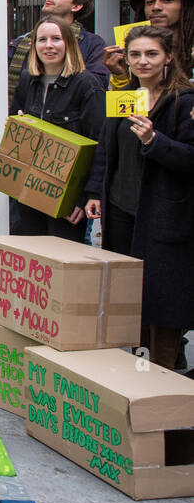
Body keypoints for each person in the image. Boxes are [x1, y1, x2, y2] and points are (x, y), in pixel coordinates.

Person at [84, 25, 194, 371]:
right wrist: (95, 191)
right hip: (121, 209)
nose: (142, 61)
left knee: (163, 301)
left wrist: (155, 140)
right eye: (135, 55)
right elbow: (107, 146)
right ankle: (137, 375)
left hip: (164, 216)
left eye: (151, 54)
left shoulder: (184, 100)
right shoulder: (126, 95)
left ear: (169, 57)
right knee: (130, 299)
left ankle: (164, 381)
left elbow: (190, 158)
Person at [8, 14, 104, 242]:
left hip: (68, 197)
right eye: (42, 40)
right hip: (29, 191)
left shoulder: (87, 85)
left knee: (64, 262)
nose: (48, 46)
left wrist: (85, 197)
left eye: (56, 39)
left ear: (68, 44)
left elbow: (100, 144)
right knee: (33, 255)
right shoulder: (26, 81)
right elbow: (16, 125)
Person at [7, 0, 108, 106]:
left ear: (76, 6)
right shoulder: (21, 43)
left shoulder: (92, 44)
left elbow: (95, 90)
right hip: (28, 120)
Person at [102, 0, 194, 88]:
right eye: (150, 2)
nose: (156, 7)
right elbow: (132, 103)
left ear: (187, 5)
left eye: (167, 0)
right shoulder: (132, 45)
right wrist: (120, 76)